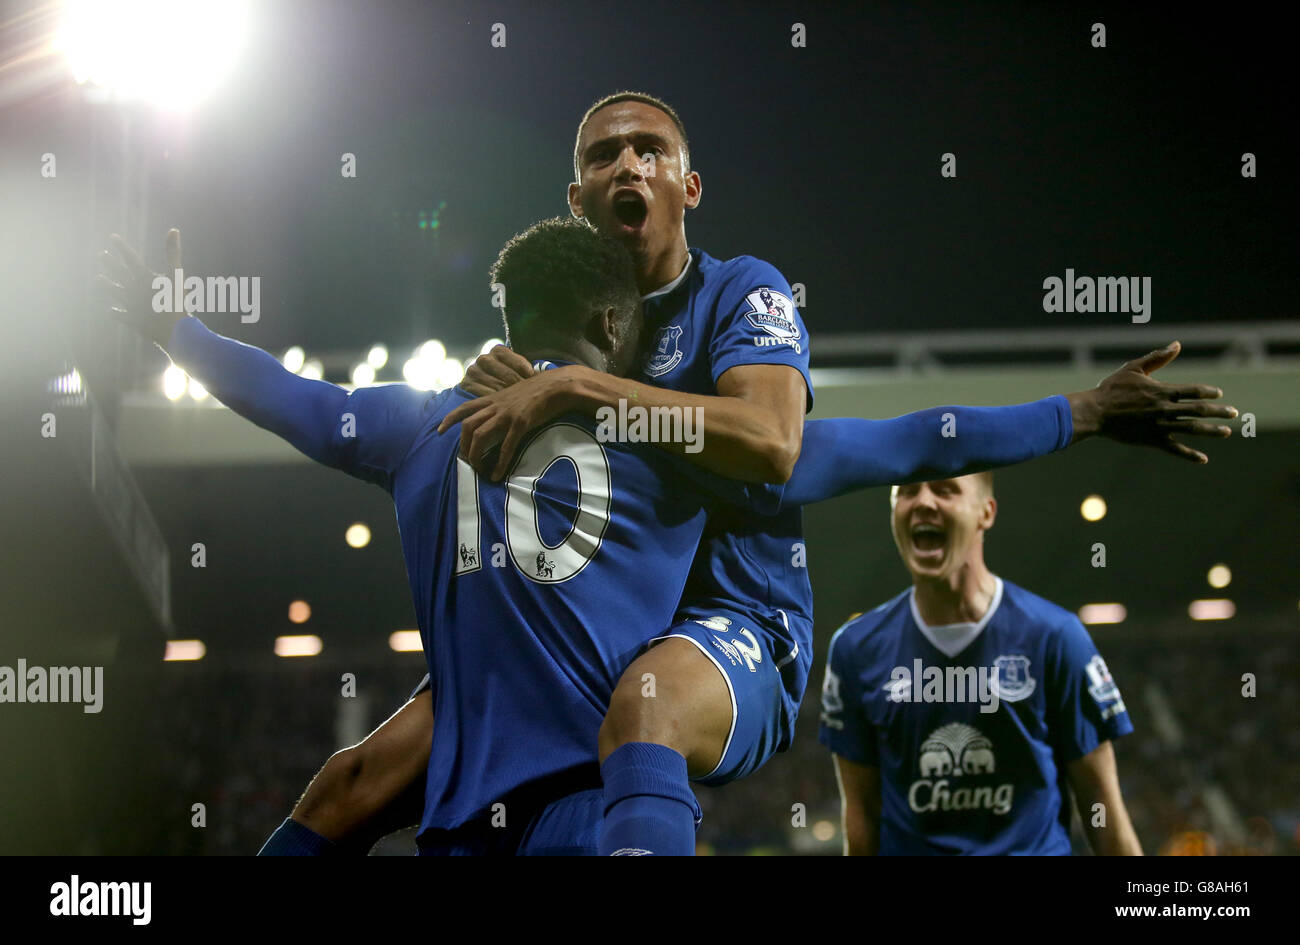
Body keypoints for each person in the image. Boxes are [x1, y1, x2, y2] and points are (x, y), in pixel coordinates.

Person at [819, 472, 1142, 855]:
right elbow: (861, 819)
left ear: (986, 513)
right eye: (906, 492)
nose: (923, 502)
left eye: (945, 490)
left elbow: (1102, 807)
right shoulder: (856, 649)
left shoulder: (1055, 637)